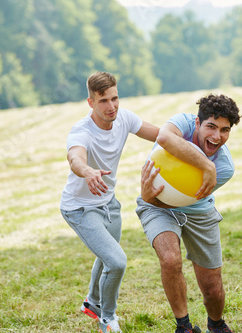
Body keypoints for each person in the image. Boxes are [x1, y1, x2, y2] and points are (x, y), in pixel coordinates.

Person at [60, 71, 159, 333]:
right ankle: (107, 317)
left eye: (115, 98)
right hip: (80, 209)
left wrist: (190, 136)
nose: (111, 106)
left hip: (109, 203)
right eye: (103, 101)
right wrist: (87, 170)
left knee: (106, 258)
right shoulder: (81, 131)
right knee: (116, 261)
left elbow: (160, 135)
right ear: (90, 102)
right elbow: (75, 158)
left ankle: (92, 303)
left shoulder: (124, 118)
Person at [136, 94, 241, 333]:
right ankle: (184, 326)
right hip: (154, 204)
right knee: (171, 259)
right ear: (197, 123)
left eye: (225, 130)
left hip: (197, 212)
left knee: (213, 289)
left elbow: (179, 201)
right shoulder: (181, 123)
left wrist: (149, 196)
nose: (217, 136)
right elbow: (163, 137)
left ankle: (216, 323)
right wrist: (206, 165)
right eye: (211, 126)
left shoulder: (224, 168)